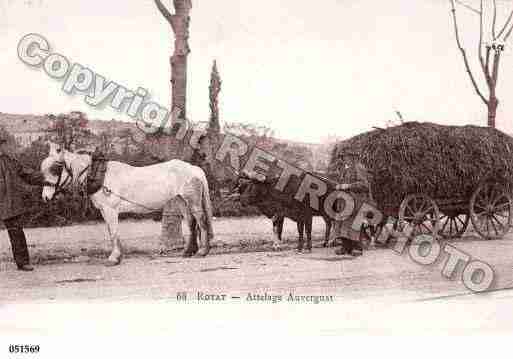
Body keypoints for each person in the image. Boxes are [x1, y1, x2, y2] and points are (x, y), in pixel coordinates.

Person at [0, 132, 49, 271]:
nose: (2, 147)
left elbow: (26, 173)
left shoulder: (9, 160)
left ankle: (22, 262)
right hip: (6, 201)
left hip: (8, 202)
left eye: (1, 144)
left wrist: (45, 177)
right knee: (16, 231)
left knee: (16, 231)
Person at [332, 154, 375, 256]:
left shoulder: (359, 168)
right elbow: (341, 183)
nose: (344, 159)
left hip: (357, 201)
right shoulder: (344, 169)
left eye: (346, 157)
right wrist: (339, 186)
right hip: (345, 201)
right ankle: (345, 247)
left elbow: (364, 184)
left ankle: (357, 247)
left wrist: (348, 186)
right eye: (343, 158)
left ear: (352, 157)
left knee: (355, 224)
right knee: (343, 224)